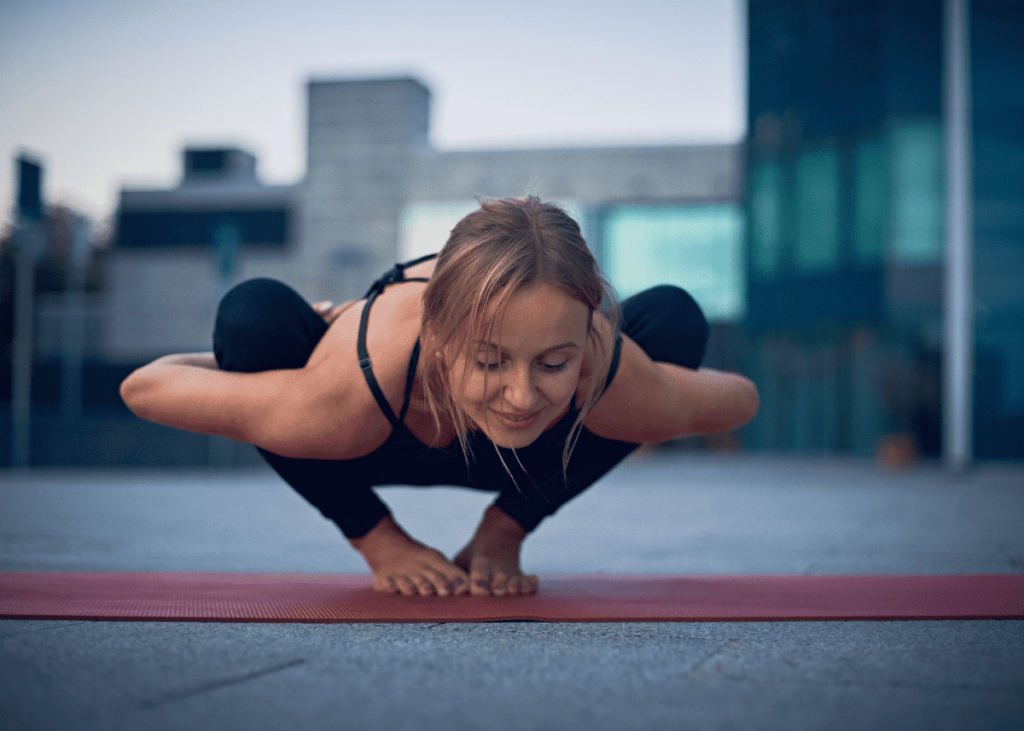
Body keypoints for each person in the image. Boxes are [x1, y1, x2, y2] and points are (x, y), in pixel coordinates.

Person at [121, 197, 759, 598]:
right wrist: (376, 538)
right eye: (489, 360)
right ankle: (378, 537)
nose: (520, 394)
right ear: (437, 334)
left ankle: (502, 531)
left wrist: (608, 369)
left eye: (553, 361)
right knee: (252, 316)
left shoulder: (602, 367)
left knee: (674, 315)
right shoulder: (347, 387)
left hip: (531, 462)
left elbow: (740, 400)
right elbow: (143, 385)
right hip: (373, 435)